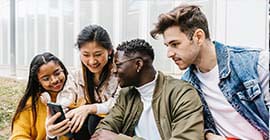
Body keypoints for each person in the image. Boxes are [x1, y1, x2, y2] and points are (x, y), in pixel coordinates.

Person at [150, 4, 269, 140]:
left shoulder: (256, 63)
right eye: (167, 46)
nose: (169, 54)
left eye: (175, 44)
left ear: (198, 37)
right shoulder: (186, 85)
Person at [91, 39, 204, 140]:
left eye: (118, 65)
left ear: (138, 64)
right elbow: (103, 131)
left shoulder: (181, 94)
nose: (114, 71)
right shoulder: (126, 94)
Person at [45, 25, 119, 139]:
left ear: (109, 51)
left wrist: (89, 108)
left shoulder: (120, 74)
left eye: (98, 54)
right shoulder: (76, 77)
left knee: (93, 120)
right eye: (86, 55)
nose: (92, 61)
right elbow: (64, 103)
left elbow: (119, 105)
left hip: (113, 132)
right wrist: (54, 124)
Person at [10, 52, 70, 140]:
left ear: (63, 70)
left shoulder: (77, 95)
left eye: (57, 73)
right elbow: (18, 136)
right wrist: (50, 136)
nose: (54, 80)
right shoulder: (30, 104)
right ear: (38, 81)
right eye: (46, 79)